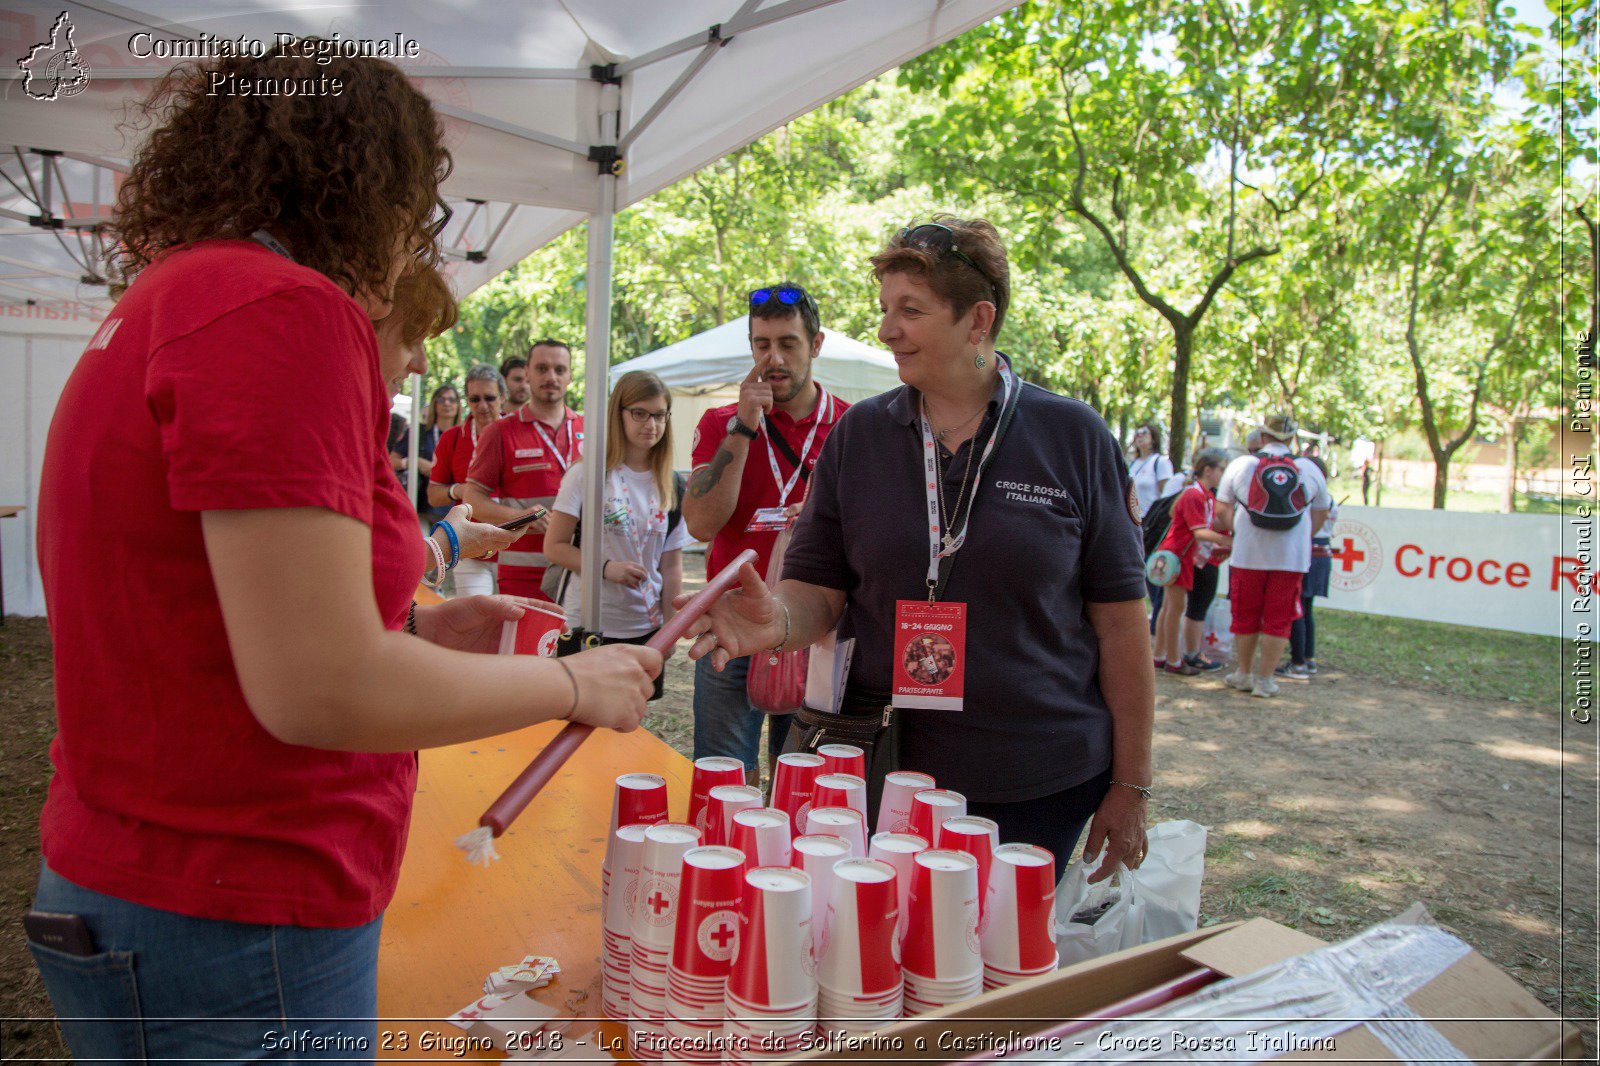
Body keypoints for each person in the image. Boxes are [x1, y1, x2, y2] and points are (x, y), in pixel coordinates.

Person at [28, 45, 659, 1063]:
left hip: (154, 880)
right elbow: (318, 687)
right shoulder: (284, 308)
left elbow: (200, 607)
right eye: (423, 209)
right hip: (236, 904)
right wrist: (573, 682)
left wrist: (409, 624)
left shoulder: (173, 297)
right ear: (370, 185)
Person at [681, 218, 1152, 883]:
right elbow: (818, 587)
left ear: (977, 319)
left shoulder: (1071, 435)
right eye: (884, 310)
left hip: (1040, 778)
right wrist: (778, 620)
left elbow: (1122, 621)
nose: (885, 330)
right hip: (888, 767)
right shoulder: (860, 437)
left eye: (910, 311)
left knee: (1001, 972)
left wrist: (1132, 784)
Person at [682, 283, 849, 780]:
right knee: (723, 776)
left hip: (812, 625)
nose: (773, 358)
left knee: (801, 781)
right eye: (761, 345)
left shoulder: (851, 427)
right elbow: (699, 524)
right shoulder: (721, 424)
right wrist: (744, 426)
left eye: (788, 343)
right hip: (730, 622)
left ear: (816, 345)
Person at [544, 371, 690, 700]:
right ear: (617, 414)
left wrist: (670, 628)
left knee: (631, 727)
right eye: (639, 413)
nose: (650, 424)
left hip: (645, 627)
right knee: (583, 720)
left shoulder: (673, 484)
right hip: (589, 623)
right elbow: (554, 547)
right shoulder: (587, 474)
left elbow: (671, 566)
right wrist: (606, 567)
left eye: (659, 415)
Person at [1215, 414, 1331, 698]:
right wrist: (1301, 536)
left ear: (1262, 436)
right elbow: (1321, 511)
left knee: (1246, 614)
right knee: (1279, 617)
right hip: (1291, 558)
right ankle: (1265, 680)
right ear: (1291, 438)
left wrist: (1237, 531)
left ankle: (1243, 672)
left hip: (1248, 554)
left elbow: (1221, 510)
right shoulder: (1308, 469)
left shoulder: (1242, 465)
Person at [464, 340, 582, 599]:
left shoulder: (591, 429)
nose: (551, 377)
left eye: (559, 370)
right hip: (524, 575)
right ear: (527, 373)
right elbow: (472, 499)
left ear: (571, 376)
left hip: (579, 571)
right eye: (542, 368)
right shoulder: (500, 431)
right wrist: (521, 516)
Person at [1151, 449, 1232, 675]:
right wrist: (1229, 540)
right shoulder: (1194, 495)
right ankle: (1173, 660)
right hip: (1178, 556)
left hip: (1181, 555)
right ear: (1208, 470)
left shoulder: (1203, 495)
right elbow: (1199, 532)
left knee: (1169, 608)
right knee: (1174, 609)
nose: (1222, 475)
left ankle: (1160, 655)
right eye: (1221, 470)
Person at [430, 363, 508, 597]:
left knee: (514, 623)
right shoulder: (452, 438)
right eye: (474, 399)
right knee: (477, 620)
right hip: (470, 546)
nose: (482, 406)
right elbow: (433, 496)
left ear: (503, 398)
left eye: (489, 398)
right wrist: (461, 490)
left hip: (513, 547)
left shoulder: (519, 434)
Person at [1280, 455, 1337, 679]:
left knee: (1298, 609)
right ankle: (1308, 658)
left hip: (1308, 555)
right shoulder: (1328, 499)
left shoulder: (1309, 498)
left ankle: (1298, 661)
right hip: (1322, 554)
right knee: (1306, 609)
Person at [387, 382, 460, 524]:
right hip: (420, 507)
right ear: (434, 404)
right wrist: (414, 462)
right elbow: (391, 461)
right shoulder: (418, 431)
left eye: (452, 400)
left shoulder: (464, 435)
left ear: (458, 406)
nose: (447, 403)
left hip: (454, 510)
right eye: (441, 399)